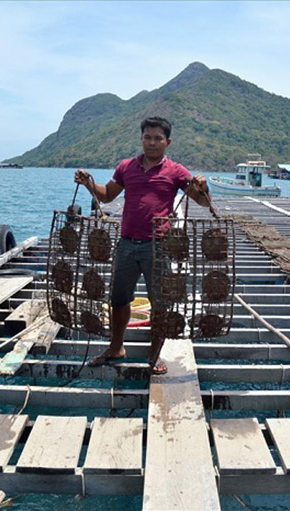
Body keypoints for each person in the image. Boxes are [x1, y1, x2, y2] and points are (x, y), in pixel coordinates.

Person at [74, 116, 211, 375]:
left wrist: (203, 187)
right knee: (118, 299)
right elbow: (107, 195)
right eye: (147, 137)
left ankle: (154, 355)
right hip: (126, 243)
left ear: (167, 142)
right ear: (141, 138)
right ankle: (116, 348)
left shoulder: (177, 171)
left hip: (158, 246)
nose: (152, 142)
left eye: (158, 138)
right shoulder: (126, 167)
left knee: (159, 302)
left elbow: (202, 202)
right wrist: (88, 183)